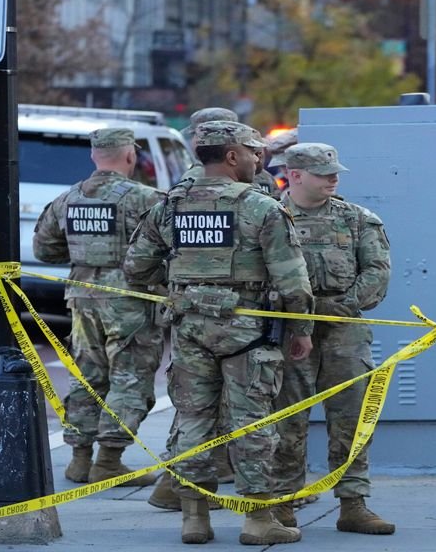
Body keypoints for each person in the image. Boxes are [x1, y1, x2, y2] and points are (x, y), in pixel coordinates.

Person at [123, 121, 314, 545]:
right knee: (253, 420)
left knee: (191, 418)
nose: (259, 158)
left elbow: (136, 267)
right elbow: (293, 281)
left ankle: (194, 517)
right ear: (232, 156)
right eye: (252, 151)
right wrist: (301, 329)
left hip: (189, 328)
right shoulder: (260, 207)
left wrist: (179, 290)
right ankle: (258, 520)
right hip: (248, 330)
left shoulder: (170, 205)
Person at [269, 142, 394, 535]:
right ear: (295, 174)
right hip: (288, 332)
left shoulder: (357, 219)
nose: (334, 179)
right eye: (324, 173)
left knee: (352, 419)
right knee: (287, 420)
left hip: (344, 332)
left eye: (335, 172)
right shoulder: (269, 217)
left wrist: (342, 306)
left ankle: (353, 503)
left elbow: (377, 272)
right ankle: (284, 502)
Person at [33, 128, 165, 487]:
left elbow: (44, 250)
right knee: (130, 377)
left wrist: (82, 254)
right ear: (129, 156)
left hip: (81, 296)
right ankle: (108, 461)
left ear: (94, 156)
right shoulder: (146, 199)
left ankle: (79, 459)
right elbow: (169, 248)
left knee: (87, 375)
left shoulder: (68, 198)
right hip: (130, 300)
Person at [147, 106, 241, 510]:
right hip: (240, 314)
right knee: (222, 404)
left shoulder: (180, 188)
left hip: (187, 309)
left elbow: (141, 260)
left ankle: (185, 490)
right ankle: (183, 484)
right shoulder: (250, 190)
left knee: (193, 402)